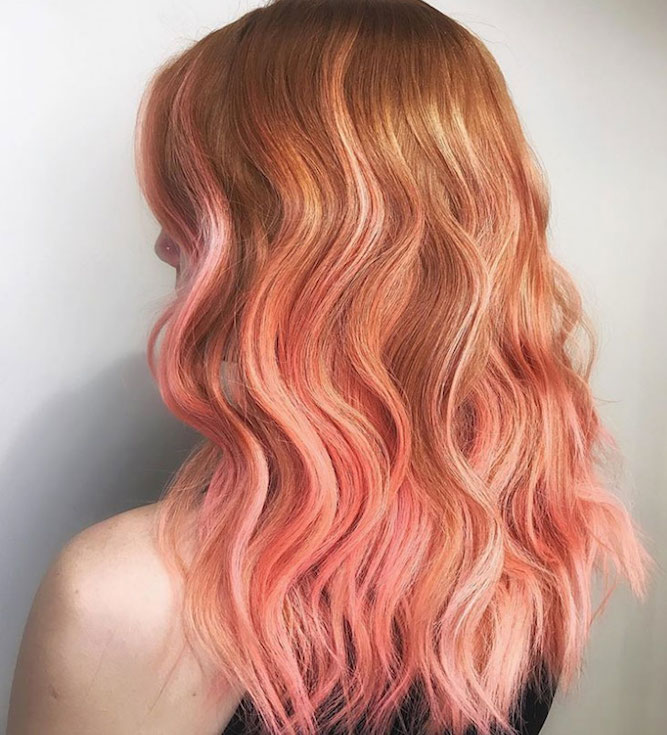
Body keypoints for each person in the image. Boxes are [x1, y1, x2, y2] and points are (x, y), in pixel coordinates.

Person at [7, 0, 651, 733]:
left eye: (196, 204)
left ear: (313, 243)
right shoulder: (534, 537)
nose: (164, 243)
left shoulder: (121, 602)